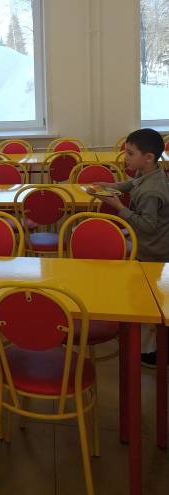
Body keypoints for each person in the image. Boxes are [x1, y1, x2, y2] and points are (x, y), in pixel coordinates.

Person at [97, 128, 169, 367]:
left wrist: (119, 207)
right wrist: (110, 186)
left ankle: (159, 351)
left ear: (148, 157)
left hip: (154, 251)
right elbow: (132, 184)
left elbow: (148, 226)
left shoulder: (151, 191)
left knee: (154, 301)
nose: (125, 157)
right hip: (149, 247)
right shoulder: (148, 173)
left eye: (130, 153)